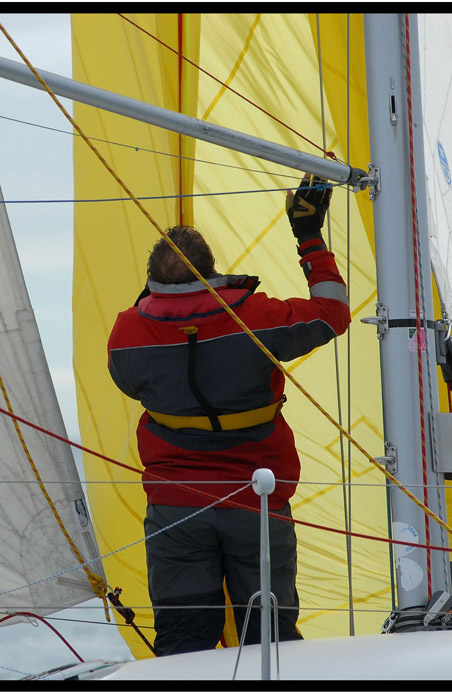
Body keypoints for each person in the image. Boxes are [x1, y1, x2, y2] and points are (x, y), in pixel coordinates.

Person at [106, 174, 351, 656]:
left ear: (152, 279)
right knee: (272, 641)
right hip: (255, 503)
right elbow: (333, 312)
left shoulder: (127, 335)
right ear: (212, 270)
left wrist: (158, 303)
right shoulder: (254, 317)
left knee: (182, 644)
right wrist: (309, 236)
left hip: (176, 507)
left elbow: (130, 380)